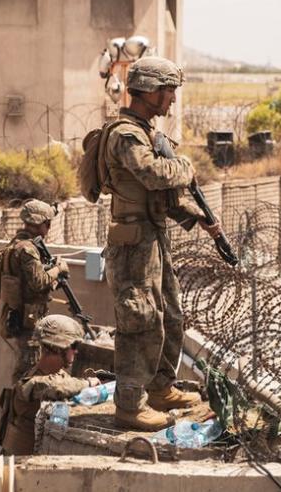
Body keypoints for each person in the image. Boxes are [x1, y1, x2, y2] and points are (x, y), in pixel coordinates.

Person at [102, 56, 221, 431]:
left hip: (153, 237)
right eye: (168, 91)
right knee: (140, 319)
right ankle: (130, 405)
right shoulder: (126, 134)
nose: (172, 99)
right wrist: (186, 167)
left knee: (169, 315)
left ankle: (159, 388)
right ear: (150, 90)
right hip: (133, 242)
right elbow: (154, 175)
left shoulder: (146, 130)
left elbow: (161, 196)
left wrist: (194, 215)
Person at [0, 315, 99, 455]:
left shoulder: (60, 375)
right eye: (73, 346)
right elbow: (53, 387)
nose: (76, 351)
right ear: (57, 348)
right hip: (19, 466)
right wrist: (88, 383)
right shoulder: (32, 383)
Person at [0, 200, 71, 383]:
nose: (49, 227)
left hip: (23, 315)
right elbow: (39, 282)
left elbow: (29, 283)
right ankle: (19, 410)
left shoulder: (15, 244)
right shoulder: (27, 249)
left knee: (24, 371)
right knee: (28, 372)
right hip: (29, 321)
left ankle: (16, 408)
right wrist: (58, 268)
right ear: (43, 224)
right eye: (48, 223)